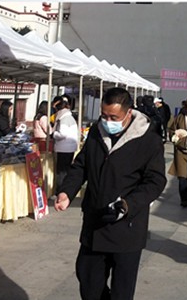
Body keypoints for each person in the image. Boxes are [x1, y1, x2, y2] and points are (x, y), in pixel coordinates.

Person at [54, 87, 167, 300]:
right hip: (95, 222)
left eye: (113, 117)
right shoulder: (97, 132)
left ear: (128, 112)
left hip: (126, 226)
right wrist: (67, 192)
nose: (107, 121)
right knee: (88, 281)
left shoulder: (148, 140)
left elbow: (155, 181)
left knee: (121, 291)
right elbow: (81, 165)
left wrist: (128, 204)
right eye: (104, 115)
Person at [52, 96, 79, 196]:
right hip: (70, 147)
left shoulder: (63, 119)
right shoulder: (70, 117)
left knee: (61, 172)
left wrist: (54, 134)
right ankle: (65, 191)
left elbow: (62, 134)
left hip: (63, 148)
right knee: (66, 170)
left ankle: (60, 191)